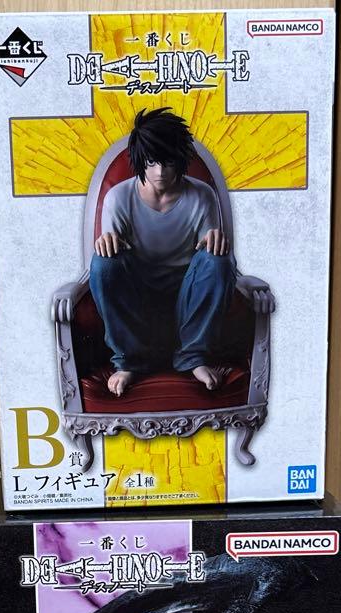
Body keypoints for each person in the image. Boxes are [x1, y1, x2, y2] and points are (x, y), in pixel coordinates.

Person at [90, 107, 236, 397]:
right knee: (104, 263)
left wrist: (215, 241)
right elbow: (113, 262)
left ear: (180, 160)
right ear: (139, 160)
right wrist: (106, 243)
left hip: (186, 299)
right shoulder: (119, 197)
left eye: (168, 162)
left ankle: (193, 356)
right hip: (138, 300)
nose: (159, 172)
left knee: (218, 260)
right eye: (151, 162)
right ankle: (129, 361)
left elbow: (208, 262)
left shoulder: (202, 195)